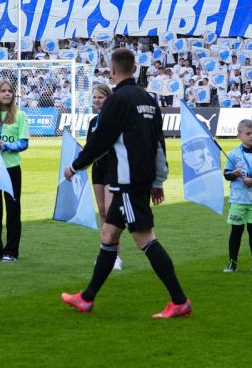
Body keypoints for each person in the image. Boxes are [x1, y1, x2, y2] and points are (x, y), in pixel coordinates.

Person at [61, 47, 191, 318]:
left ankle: (179, 301)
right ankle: (86, 298)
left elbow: (100, 141)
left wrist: (75, 166)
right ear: (134, 69)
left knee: (145, 239)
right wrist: (158, 180)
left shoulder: (117, 100)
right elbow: (159, 144)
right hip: (133, 183)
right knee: (108, 234)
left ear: (112, 70)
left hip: (128, 184)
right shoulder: (147, 99)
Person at [0, 78, 29, 262]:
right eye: (3, 91)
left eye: (9, 91)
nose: (7, 94)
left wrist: (7, 146)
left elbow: (24, 143)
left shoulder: (19, 115)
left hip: (11, 168)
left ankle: (11, 251)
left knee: (13, 209)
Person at [223, 119, 252, 274]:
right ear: (239, 136)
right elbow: (226, 174)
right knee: (236, 231)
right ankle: (232, 263)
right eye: (248, 133)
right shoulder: (234, 154)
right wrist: (234, 174)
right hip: (238, 200)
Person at [86, 83, 122, 271]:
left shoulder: (114, 119)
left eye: (100, 97)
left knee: (110, 210)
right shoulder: (93, 122)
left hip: (112, 168)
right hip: (98, 169)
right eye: (94, 98)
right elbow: (90, 148)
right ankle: (105, 251)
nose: (97, 101)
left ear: (108, 98)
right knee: (101, 210)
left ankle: (115, 256)